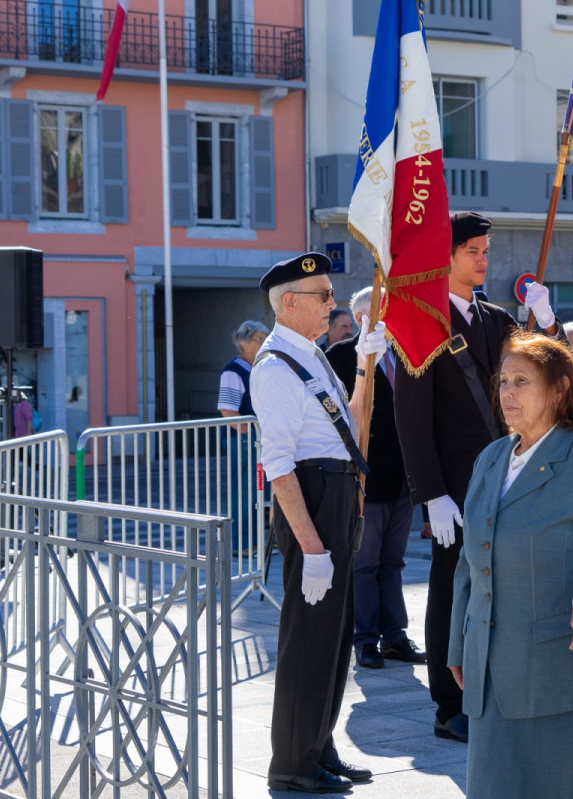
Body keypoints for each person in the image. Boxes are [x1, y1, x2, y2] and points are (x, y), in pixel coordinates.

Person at [393, 210, 561, 743]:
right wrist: (431, 494)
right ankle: (449, 703)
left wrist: (548, 323)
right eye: (473, 251)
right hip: (457, 481)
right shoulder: (422, 320)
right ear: (445, 257)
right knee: (452, 587)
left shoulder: (497, 320)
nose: (483, 260)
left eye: (486, 252)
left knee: (502, 584)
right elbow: (411, 416)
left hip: (508, 473)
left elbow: (547, 375)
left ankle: (489, 687)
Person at [447, 332, 573, 798]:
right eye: (503, 381)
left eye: (522, 381)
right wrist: (458, 645)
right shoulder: (492, 457)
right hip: (489, 667)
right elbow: (471, 561)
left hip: (561, 669)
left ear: (560, 389)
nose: (507, 393)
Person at [252, 253, 387, 793]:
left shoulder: (310, 354)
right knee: (308, 642)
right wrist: (311, 549)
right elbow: (279, 469)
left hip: (337, 496)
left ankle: (318, 744)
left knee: (333, 642)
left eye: (332, 294)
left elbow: (353, 425)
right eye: (323, 296)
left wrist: (363, 367)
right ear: (290, 304)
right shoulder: (275, 367)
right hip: (312, 502)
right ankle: (292, 761)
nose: (333, 304)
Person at [326, 287, 426, 669]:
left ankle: (394, 635)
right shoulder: (339, 356)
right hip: (365, 477)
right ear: (366, 315)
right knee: (364, 564)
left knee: (393, 562)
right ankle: (365, 638)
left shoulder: (404, 355)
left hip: (403, 477)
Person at [217, 320, 269, 555]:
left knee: (261, 493)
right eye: (259, 339)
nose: (264, 343)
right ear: (243, 342)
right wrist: (253, 434)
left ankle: (258, 541)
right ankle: (242, 544)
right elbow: (228, 409)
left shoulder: (260, 367)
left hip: (258, 440)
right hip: (245, 440)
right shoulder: (234, 369)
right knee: (246, 492)